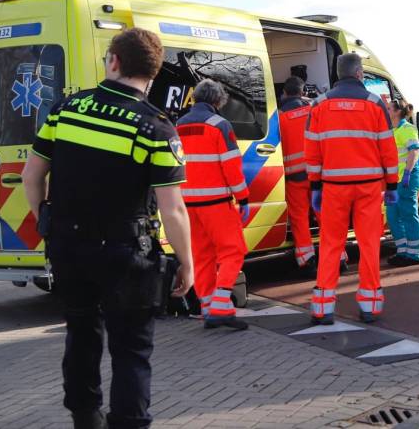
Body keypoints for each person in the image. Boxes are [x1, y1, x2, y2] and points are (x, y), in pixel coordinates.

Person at [23, 28, 194, 429]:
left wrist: (45, 220)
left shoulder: (65, 110)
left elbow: (32, 176)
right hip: (126, 252)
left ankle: (85, 418)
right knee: (131, 349)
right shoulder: (156, 127)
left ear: (113, 61)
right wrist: (187, 263)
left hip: (68, 246)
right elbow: (173, 209)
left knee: (81, 333)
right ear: (152, 73)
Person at [305, 53, 398, 324]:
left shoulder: (319, 105)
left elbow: (311, 150)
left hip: (333, 187)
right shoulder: (375, 104)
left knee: (331, 244)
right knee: (369, 245)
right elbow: (388, 150)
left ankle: (322, 308)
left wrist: (315, 186)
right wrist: (391, 184)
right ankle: (369, 306)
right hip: (368, 188)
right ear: (359, 74)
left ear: (338, 74)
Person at [175, 79, 250, 331]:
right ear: (218, 101)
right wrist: (243, 197)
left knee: (202, 255)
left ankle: (207, 307)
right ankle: (220, 305)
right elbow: (231, 167)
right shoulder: (220, 125)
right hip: (216, 203)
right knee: (234, 250)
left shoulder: (177, 125)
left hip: (187, 203)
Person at [278, 76, 316, 271]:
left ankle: (306, 260)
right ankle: (339, 257)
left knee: (299, 218)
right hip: (317, 174)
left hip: (294, 176)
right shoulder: (313, 111)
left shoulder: (280, 116)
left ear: (284, 93)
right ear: (303, 93)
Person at [385, 98, 419, 267]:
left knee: (408, 215)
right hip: (395, 181)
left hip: (407, 178)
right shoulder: (392, 130)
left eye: (388, 109)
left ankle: (414, 254)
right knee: (393, 216)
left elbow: (414, 152)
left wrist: (407, 173)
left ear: (396, 112)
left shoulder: (407, 129)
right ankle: (402, 251)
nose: (386, 111)